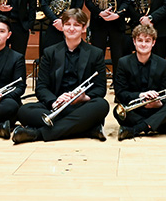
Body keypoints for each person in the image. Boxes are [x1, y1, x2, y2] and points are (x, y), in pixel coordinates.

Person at [13, 8, 108, 143]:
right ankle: (86, 128)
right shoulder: (50, 52)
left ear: (83, 28)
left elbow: (100, 89)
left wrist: (83, 97)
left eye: (76, 25)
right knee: (24, 110)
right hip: (56, 106)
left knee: (101, 105)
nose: (71, 28)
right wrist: (54, 101)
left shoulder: (95, 53)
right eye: (68, 24)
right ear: (62, 26)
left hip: (80, 106)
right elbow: (41, 87)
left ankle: (38, 134)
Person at [113, 24, 166, 141]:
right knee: (117, 111)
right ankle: (163, 127)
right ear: (134, 41)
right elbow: (120, 93)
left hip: (155, 110)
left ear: (153, 43)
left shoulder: (162, 63)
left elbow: (165, 95)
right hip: (135, 110)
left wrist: (158, 104)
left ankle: (138, 129)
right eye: (140, 40)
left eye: (147, 41)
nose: (143, 44)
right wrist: (141, 95)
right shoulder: (123, 63)